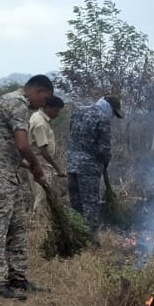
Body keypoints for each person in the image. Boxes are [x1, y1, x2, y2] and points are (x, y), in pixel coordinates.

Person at [0, 74, 54, 300]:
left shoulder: (18, 103)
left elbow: (9, 147)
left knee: (18, 223)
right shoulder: (17, 104)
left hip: (7, 171)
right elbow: (22, 144)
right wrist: (37, 167)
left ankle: (17, 277)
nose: (43, 105)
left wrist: (29, 168)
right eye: (44, 99)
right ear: (38, 91)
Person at [65, 94, 123, 231]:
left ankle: (76, 234)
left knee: (76, 204)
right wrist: (105, 162)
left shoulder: (78, 111)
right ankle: (90, 239)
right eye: (114, 113)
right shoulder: (103, 119)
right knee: (90, 204)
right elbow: (104, 149)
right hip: (89, 169)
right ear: (110, 108)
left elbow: (72, 136)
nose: (113, 117)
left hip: (71, 165)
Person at [29, 95, 67, 211]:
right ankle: (37, 224)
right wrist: (58, 168)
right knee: (41, 198)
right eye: (56, 110)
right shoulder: (40, 123)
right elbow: (43, 150)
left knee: (44, 196)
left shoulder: (38, 116)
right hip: (40, 164)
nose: (57, 114)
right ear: (48, 107)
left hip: (41, 164)